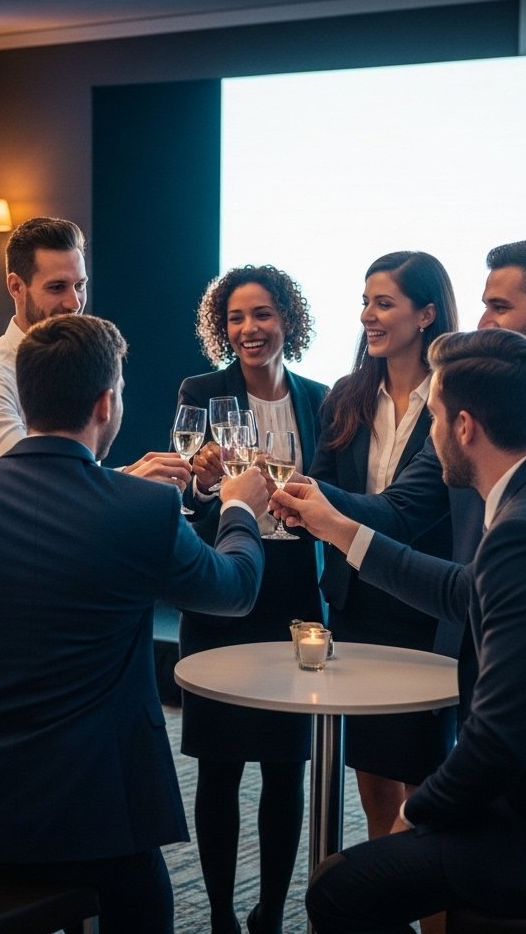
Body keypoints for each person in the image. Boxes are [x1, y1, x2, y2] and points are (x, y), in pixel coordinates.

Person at [0, 313, 269, 934]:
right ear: (106, 401)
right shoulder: (143, 508)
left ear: (26, 397)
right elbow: (235, 589)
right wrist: (241, 506)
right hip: (95, 817)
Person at [272, 329, 526, 932]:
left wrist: (416, 813)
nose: (428, 434)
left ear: (463, 427)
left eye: (431, 417)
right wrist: (340, 529)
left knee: (340, 886)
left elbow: (501, 741)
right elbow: (464, 590)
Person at [301, 239, 526, 715]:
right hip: (469, 653)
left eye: (499, 307)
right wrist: (304, 497)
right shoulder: (466, 414)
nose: (483, 322)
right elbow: (405, 510)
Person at [177, 264, 327, 934]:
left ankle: (269, 911)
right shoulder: (202, 391)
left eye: (262, 314)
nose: (249, 329)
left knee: (284, 765)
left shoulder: (322, 400)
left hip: (295, 590)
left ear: (287, 321)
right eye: (236, 317)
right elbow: (184, 497)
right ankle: (217, 915)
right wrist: (204, 484)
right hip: (222, 588)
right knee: (219, 765)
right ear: (222, 326)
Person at [310, 251, 458, 842]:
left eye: (384, 303)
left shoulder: (455, 400)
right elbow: (317, 496)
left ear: (426, 314)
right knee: (373, 784)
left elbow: (402, 514)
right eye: (366, 302)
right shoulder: (346, 395)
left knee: (425, 794)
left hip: (424, 607)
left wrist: (289, 486)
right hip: (357, 605)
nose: (368, 315)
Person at [0, 215, 192, 487]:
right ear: (16, 286)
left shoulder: (76, 363)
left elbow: (71, 473)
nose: (74, 303)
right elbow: (30, 482)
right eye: (57, 287)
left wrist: (132, 476)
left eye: (80, 285)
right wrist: (128, 483)